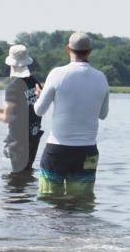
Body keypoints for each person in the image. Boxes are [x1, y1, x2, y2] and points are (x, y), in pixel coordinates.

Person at [33, 32, 110, 197]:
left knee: (49, 201)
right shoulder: (101, 77)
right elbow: (103, 115)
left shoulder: (57, 74)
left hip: (57, 150)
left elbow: (39, 110)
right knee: (82, 203)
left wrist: (42, 96)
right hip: (87, 151)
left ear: (68, 49)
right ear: (90, 51)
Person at [0, 44, 43, 173]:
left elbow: (6, 118)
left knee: (16, 179)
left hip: (18, 141)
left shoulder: (13, 86)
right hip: (33, 137)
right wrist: (3, 110)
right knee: (27, 173)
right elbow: (27, 108)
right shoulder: (33, 82)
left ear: (11, 64)